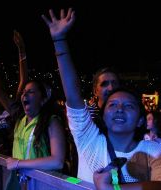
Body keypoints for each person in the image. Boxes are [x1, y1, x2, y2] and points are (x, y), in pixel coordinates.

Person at [42, 7, 161, 189]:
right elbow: (73, 95)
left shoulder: (153, 149)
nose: (119, 108)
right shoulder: (88, 140)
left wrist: (113, 188)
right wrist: (59, 40)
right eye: (112, 105)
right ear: (103, 116)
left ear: (140, 121)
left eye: (129, 106)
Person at [0, 33, 66, 190]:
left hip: (42, 185)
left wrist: (19, 164)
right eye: (23, 93)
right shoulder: (19, 118)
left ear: (43, 99)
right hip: (21, 184)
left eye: (31, 92)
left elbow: (57, 161)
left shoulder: (51, 121)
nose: (24, 95)